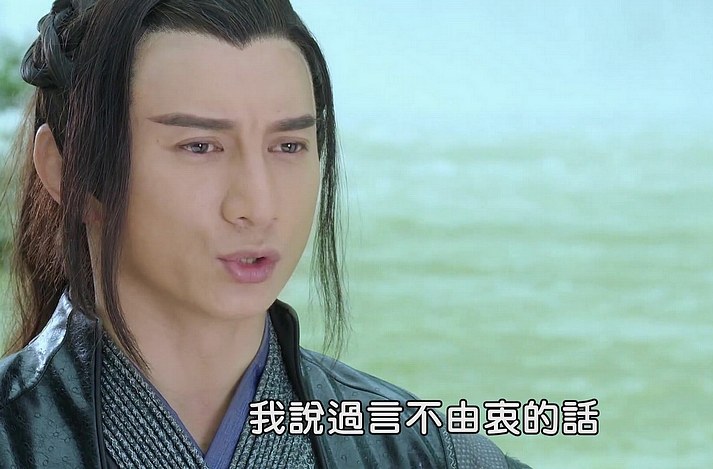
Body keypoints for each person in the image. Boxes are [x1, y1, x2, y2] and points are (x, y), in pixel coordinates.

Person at [0, 0, 532, 467]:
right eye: (199, 147)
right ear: (69, 171)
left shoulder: (429, 452)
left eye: (288, 146)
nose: (257, 206)